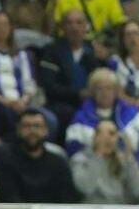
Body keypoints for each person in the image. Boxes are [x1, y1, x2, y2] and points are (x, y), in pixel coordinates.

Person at [36, 10, 102, 138]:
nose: (74, 28)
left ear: (86, 27)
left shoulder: (94, 51)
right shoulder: (52, 51)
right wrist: (78, 94)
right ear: (63, 27)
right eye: (69, 23)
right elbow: (49, 86)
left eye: (79, 23)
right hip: (61, 104)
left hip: (92, 102)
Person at [0, 110, 79, 204]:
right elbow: (9, 198)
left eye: (37, 126)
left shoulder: (58, 163)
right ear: (18, 130)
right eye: (27, 126)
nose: (32, 131)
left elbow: (67, 198)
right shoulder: (6, 161)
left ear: (46, 131)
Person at [71, 119, 139, 204]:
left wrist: (130, 160)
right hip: (92, 207)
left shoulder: (123, 161)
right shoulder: (80, 159)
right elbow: (85, 188)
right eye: (102, 134)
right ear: (95, 137)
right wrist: (98, 156)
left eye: (112, 134)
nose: (108, 138)